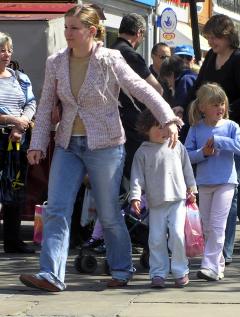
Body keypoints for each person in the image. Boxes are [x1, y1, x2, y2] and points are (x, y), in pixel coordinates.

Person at [19, 4, 181, 292]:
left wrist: (167, 117)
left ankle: (121, 268)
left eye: (74, 28)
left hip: (105, 145)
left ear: (92, 31)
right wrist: (38, 143)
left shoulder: (110, 58)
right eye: (66, 27)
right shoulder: (55, 61)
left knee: (107, 214)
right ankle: (51, 275)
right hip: (68, 143)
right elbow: (45, 106)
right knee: (56, 209)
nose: (67, 33)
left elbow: (141, 89)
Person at [188, 14, 240, 264]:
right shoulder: (211, 58)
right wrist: (187, 109)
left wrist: (223, 115)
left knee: (229, 186)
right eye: (208, 37)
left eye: (214, 36)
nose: (211, 41)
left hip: (239, 128)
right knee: (238, 186)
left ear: (227, 35)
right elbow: (199, 90)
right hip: (214, 127)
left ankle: (223, 252)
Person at [185, 83, 240, 280]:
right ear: (202, 107)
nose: (220, 108)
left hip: (226, 182)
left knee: (218, 225)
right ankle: (217, 263)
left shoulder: (231, 126)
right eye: (214, 104)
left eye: (222, 104)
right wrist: (202, 153)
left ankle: (209, 266)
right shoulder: (196, 128)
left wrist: (221, 141)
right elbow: (186, 155)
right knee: (206, 226)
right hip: (204, 182)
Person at [130, 109, 196, 288]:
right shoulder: (142, 152)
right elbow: (137, 178)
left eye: (165, 127)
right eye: (157, 127)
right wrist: (135, 197)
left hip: (177, 200)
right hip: (156, 203)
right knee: (156, 239)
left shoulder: (177, 145)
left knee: (176, 235)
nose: (163, 131)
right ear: (146, 130)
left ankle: (180, 270)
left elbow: (187, 169)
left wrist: (192, 189)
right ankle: (158, 273)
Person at [111, 13, 164, 182]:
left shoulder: (107, 50)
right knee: (135, 170)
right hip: (131, 120)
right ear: (139, 33)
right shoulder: (130, 55)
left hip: (109, 118)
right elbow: (156, 89)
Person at [0, 32, 37, 253]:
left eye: (9, 50)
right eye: (2, 50)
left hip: (18, 139)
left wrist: (20, 124)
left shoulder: (20, 78)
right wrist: (12, 120)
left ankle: (13, 241)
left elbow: (31, 103)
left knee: (15, 187)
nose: (7, 54)